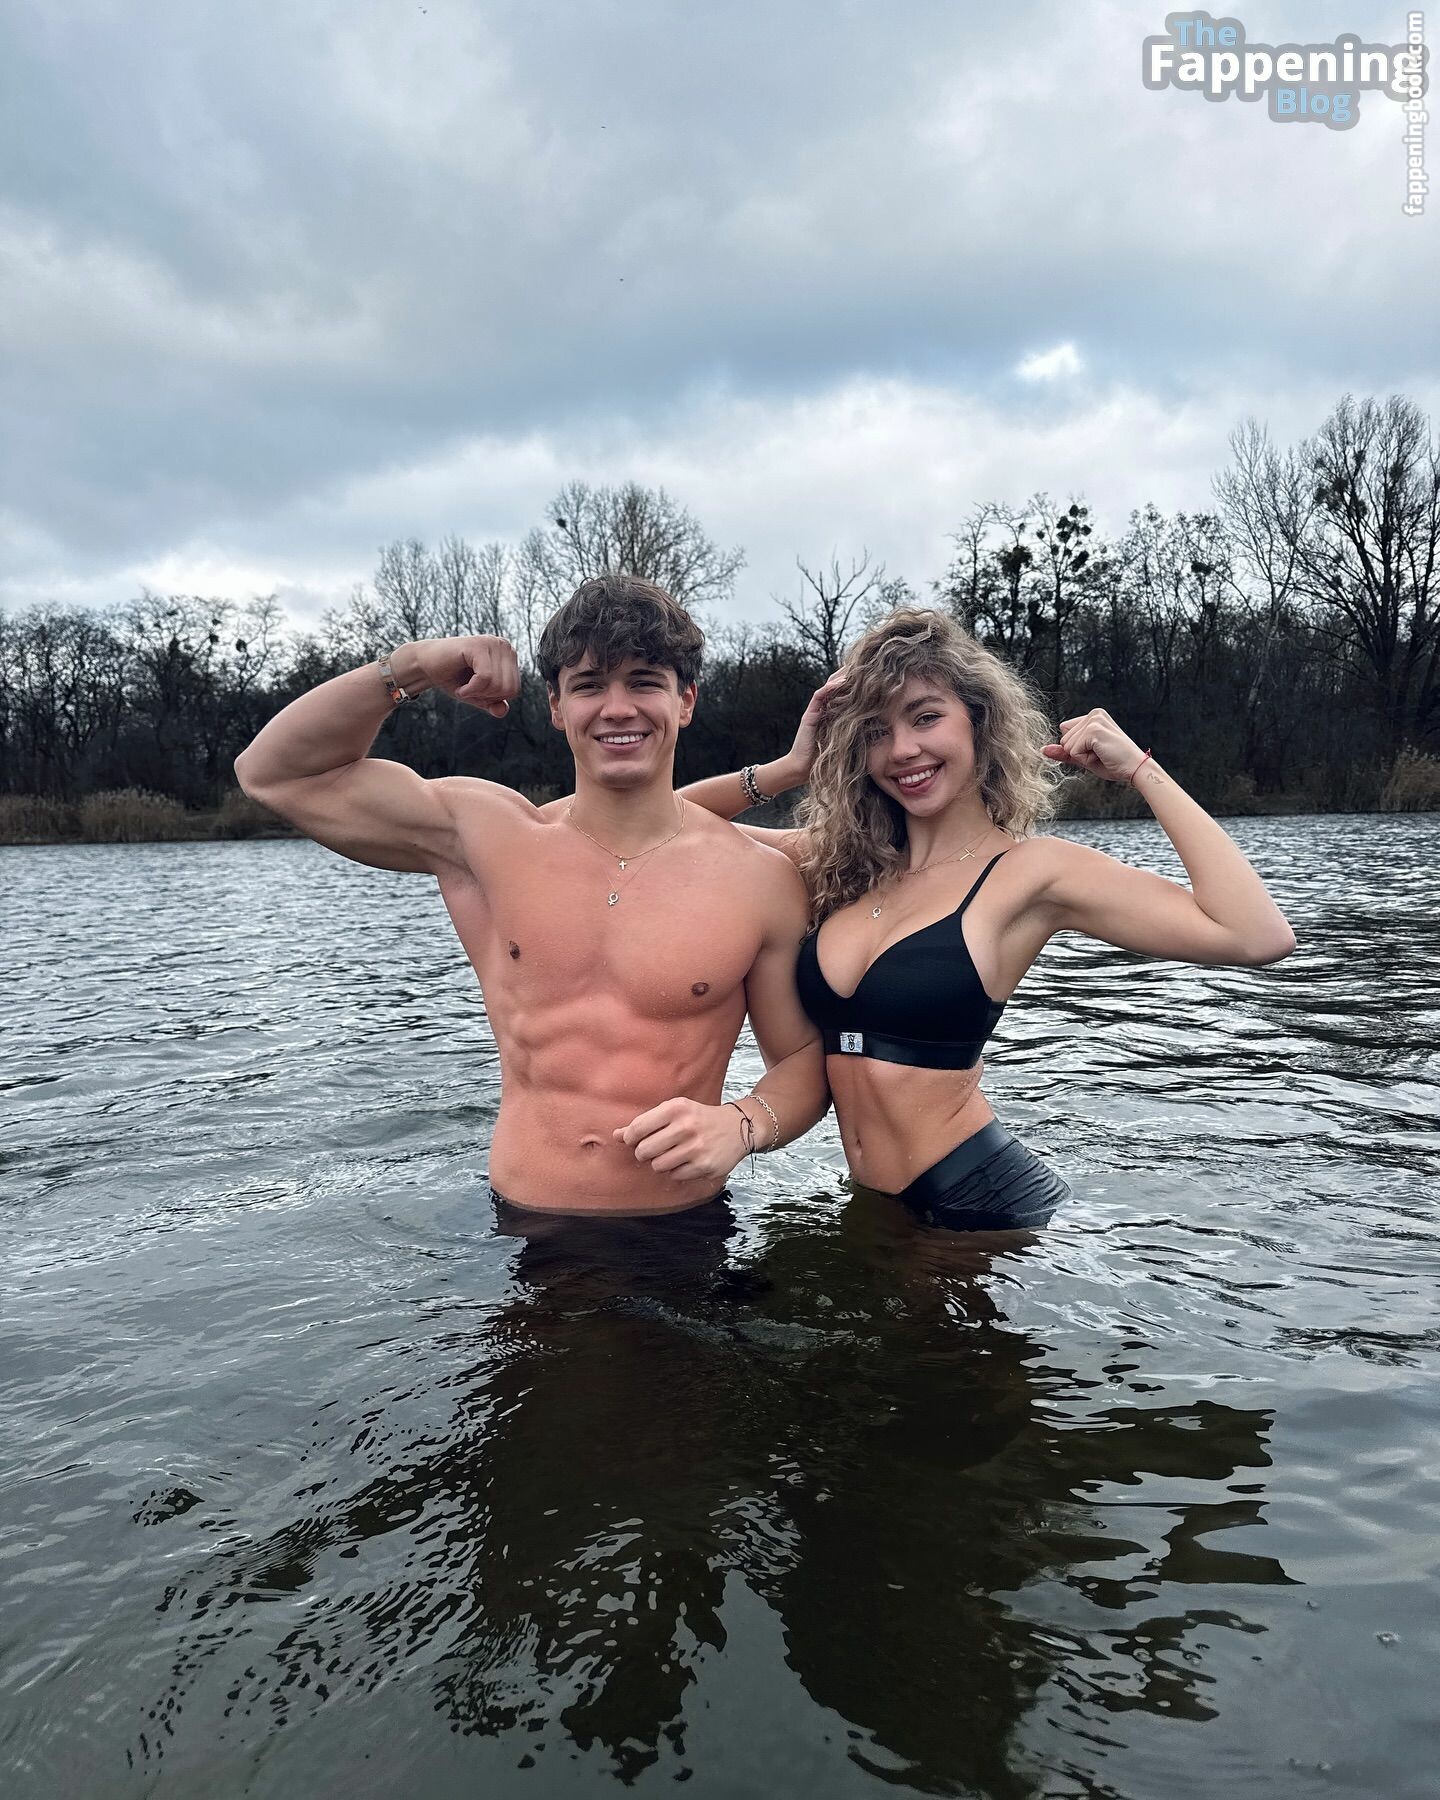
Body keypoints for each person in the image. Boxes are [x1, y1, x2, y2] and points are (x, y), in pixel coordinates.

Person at [680, 607, 1297, 1232]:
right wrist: (789, 768)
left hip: (982, 1203)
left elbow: (1256, 935)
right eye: (875, 731)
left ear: (978, 721)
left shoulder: (1032, 873)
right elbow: (677, 825)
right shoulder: (838, 863)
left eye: (926, 717)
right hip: (881, 1207)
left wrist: (1141, 769)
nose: (903, 749)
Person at [234, 576, 828, 1215]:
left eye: (644, 682)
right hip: (518, 1230)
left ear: (685, 701)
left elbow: (801, 1061)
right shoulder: (489, 838)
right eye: (589, 685)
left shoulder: (756, 877)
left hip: (683, 1229)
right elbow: (274, 775)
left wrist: (742, 1123)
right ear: (556, 706)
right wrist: (412, 667)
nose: (617, 708)